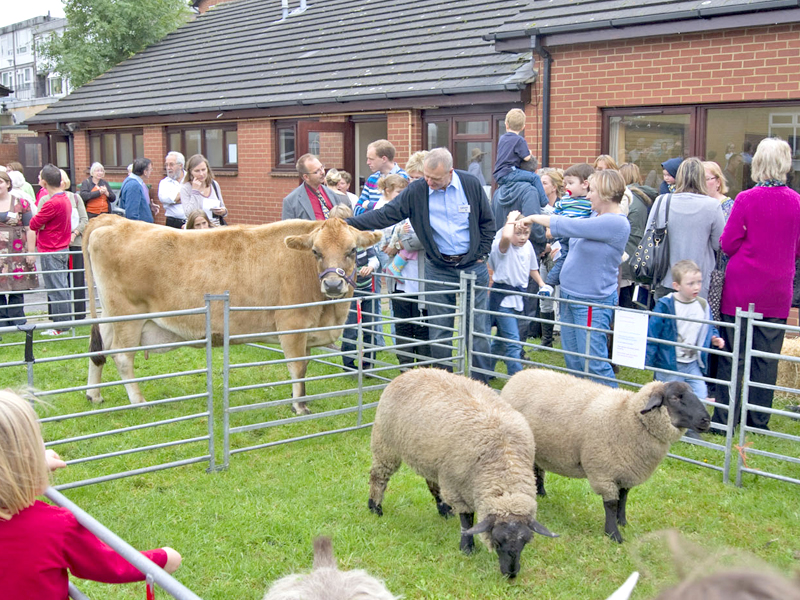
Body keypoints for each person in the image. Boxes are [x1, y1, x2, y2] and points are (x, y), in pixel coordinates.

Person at [0, 390, 182, 598]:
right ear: (25, 456)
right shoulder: (52, 526)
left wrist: (31, 467)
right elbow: (108, 564)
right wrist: (161, 559)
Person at [346, 148, 495, 383]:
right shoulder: (417, 190)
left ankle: (481, 381)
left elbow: (487, 221)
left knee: (477, 328)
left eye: (435, 178)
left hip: (472, 266)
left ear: (450, 172)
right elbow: (386, 215)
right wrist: (348, 222)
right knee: (440, 330)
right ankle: (444, 385)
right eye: (426, 176)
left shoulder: (470, 184)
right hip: (439, 267)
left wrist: (482, 253)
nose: (429, 182)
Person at [712, 137, 800, 433]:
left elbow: (728, 242)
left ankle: (725, 418)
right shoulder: (797, 201)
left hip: (742, 287)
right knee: (766, 359)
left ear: (758, 164)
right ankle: (757, 420)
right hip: (777, 288)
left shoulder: (746, 199)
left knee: (734, 355)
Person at [520, 169, 631, 387]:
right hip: (571, 296)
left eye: (593, 191)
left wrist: (533, 217)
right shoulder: (594, 215)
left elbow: (570, 226)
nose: (588, 196)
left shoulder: (616, 223)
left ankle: (616, 413)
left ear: (607, 194)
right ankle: (584, 411)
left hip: (590, 302)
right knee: (573, 362)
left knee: (593, 363)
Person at [646, 260, 725, 438]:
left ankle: (692, 428)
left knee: (700, 393)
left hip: (692, 362)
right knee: (669, 398)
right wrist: (649, 359)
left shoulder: (703, 306)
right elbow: (653, 333)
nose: (696, 287)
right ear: (676, 286)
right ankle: (662, 428)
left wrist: (714, 337)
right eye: (690, 283)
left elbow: (708, 327)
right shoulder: (666, 306)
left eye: (699, 282)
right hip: (669, 362)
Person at [645, 157, 725, 300]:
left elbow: (648, 237)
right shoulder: (712, 206)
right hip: (698, 282)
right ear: (701, 178)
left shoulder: (662, 201)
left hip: (666, 277)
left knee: (665, 320)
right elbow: (718, 244)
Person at [488, 210, 551, 376]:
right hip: (503, 299)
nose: (523, 237)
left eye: (526, 233)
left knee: (500, 341)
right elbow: (507, 237)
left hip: (519, 298)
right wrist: (511, 219)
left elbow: (532, 268)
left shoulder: (527, 246)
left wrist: (542, 284)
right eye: (519, 233)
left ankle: (485, 371)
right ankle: (516, 379)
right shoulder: (502, 245)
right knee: (513, 342)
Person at [330, 204, 380, 371]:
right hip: (349, 293)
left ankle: (368, 362)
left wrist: (371, 266)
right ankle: (349, 364)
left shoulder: (360, 240)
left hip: (366, 288)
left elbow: (375, 258)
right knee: (350, 328)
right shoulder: (333, 247)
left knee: (369, 326)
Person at [29, 164, 72, 335]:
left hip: (51, 249)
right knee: (61, 286)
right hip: (61, 247)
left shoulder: (51, 203)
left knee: (56, 289)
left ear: (45, 183)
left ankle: (61, 326)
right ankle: (65, 323)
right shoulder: (66, 198)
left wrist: (41, 223)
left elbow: (33, 224)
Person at [40, 170, 88, 321]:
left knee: (77, 278)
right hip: (57, 245)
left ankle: (79, 314)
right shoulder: (45, 199)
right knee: (57, 280)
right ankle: (57, 314)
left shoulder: (75, 197)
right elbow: (40, 223)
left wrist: (74, 234)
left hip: (75, 243)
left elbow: (84, 219)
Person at [545, 162, 594, 289]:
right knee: (562, 257)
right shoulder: (565, 199)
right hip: (564, 235)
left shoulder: (590, 202)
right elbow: (555, 215)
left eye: (571, 183)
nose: (567, 187)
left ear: (585, 184)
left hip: (579, 237)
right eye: (566, 183)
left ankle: (552, 282)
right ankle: (550, 282)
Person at [618, 162, 657, 309]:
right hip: (640, 256)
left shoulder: (628, 199)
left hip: (627, 257)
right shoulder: (644, 198)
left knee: (626, 306)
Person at [0, 171, 37, 326]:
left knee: (18, 284)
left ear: (8, 184)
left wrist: (31, 251)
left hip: (17, 251)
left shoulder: (22, 203)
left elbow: (30, 229)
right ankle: (2, 319)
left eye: (0, 182)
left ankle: (17, 317)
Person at [492, 108, 548, 205]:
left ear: (506, 124)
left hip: (499, 173)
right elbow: (526, 158)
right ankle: (544, 202)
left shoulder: (502, 138)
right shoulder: (519, 140)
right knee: (535, 177)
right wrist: (529, 152)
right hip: (510, 171)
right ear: (523, 127)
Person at [281, 154, 347, 221]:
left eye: (322, 167)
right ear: (306, 177)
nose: (322, 172)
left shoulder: (332, 195)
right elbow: (287, 230)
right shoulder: (291, 201)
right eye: (317, 171)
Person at [353, 139, 408, 215]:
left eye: (371, 159)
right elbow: (356, 211)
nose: (367, 162)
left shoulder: (404, 179)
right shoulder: (372, 179)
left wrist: (369, 205)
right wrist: (378, 212)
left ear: (384, 159)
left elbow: (396, 210)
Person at [180, 154, 228, 226]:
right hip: (197, 231)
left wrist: (223, 211)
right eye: (197, 171)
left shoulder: (214, 184)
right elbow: (189, 214)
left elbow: (223, 208)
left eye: (203, 169)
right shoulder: (186, 188)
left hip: (215, 228)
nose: (201, 174)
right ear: (190, 172)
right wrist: (195, 191)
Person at [119, 158, 156, 223]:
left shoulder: (131, 181)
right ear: (145, 172)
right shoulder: (134, 185)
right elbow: (131, 214)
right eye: (150, 169)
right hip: (139, 229)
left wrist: (148, 206)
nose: (151, 172)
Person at [159, 151, 187, 228]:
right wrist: (186, 196)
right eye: (166, 165)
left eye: (171, 164)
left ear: (180, 165)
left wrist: (174, 200)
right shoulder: (164, 183)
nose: (168, 168)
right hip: (173, 223)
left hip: (191, 222)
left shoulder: (191, 179)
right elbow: (164, 199)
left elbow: (197, 198)